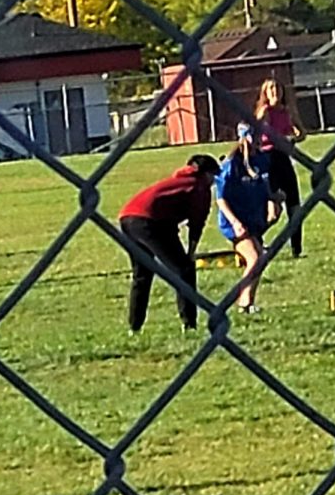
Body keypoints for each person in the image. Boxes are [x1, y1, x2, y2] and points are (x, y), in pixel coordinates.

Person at [118, 154, 220, 333]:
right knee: (184, 271)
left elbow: (167, 219)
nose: (213, 182)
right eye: (213, 176)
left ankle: (134, 326)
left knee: (142, 273)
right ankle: (189, 324)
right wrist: (191, 250)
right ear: (207, 174)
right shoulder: (198, 187)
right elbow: (197, 221)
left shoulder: (177, 180)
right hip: (149, 221)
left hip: (128, 217)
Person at [215, 124, 280, 315]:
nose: (260, 139)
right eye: (255, 135)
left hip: (254, 220)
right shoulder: (231, 164)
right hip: (235, 223)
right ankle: (244, 303)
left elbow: (264, 187)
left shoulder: (261, 160)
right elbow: (221, 199)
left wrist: (274, 199)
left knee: (260, 259)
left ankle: (247, 302)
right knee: (255, 258)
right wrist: (235, 222)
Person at [254, 77, 306, 258]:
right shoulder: (265, 112)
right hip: (269, 160)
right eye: (271, 89)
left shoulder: (287, 111)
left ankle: (297, 249)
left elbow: (301, 133)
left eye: (278, 88)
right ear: (266, 94)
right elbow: (255, 133)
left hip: (284, 159)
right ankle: (253, 238)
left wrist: (293, 138)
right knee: (274, 212)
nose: (276, 92)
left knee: (295, 207)